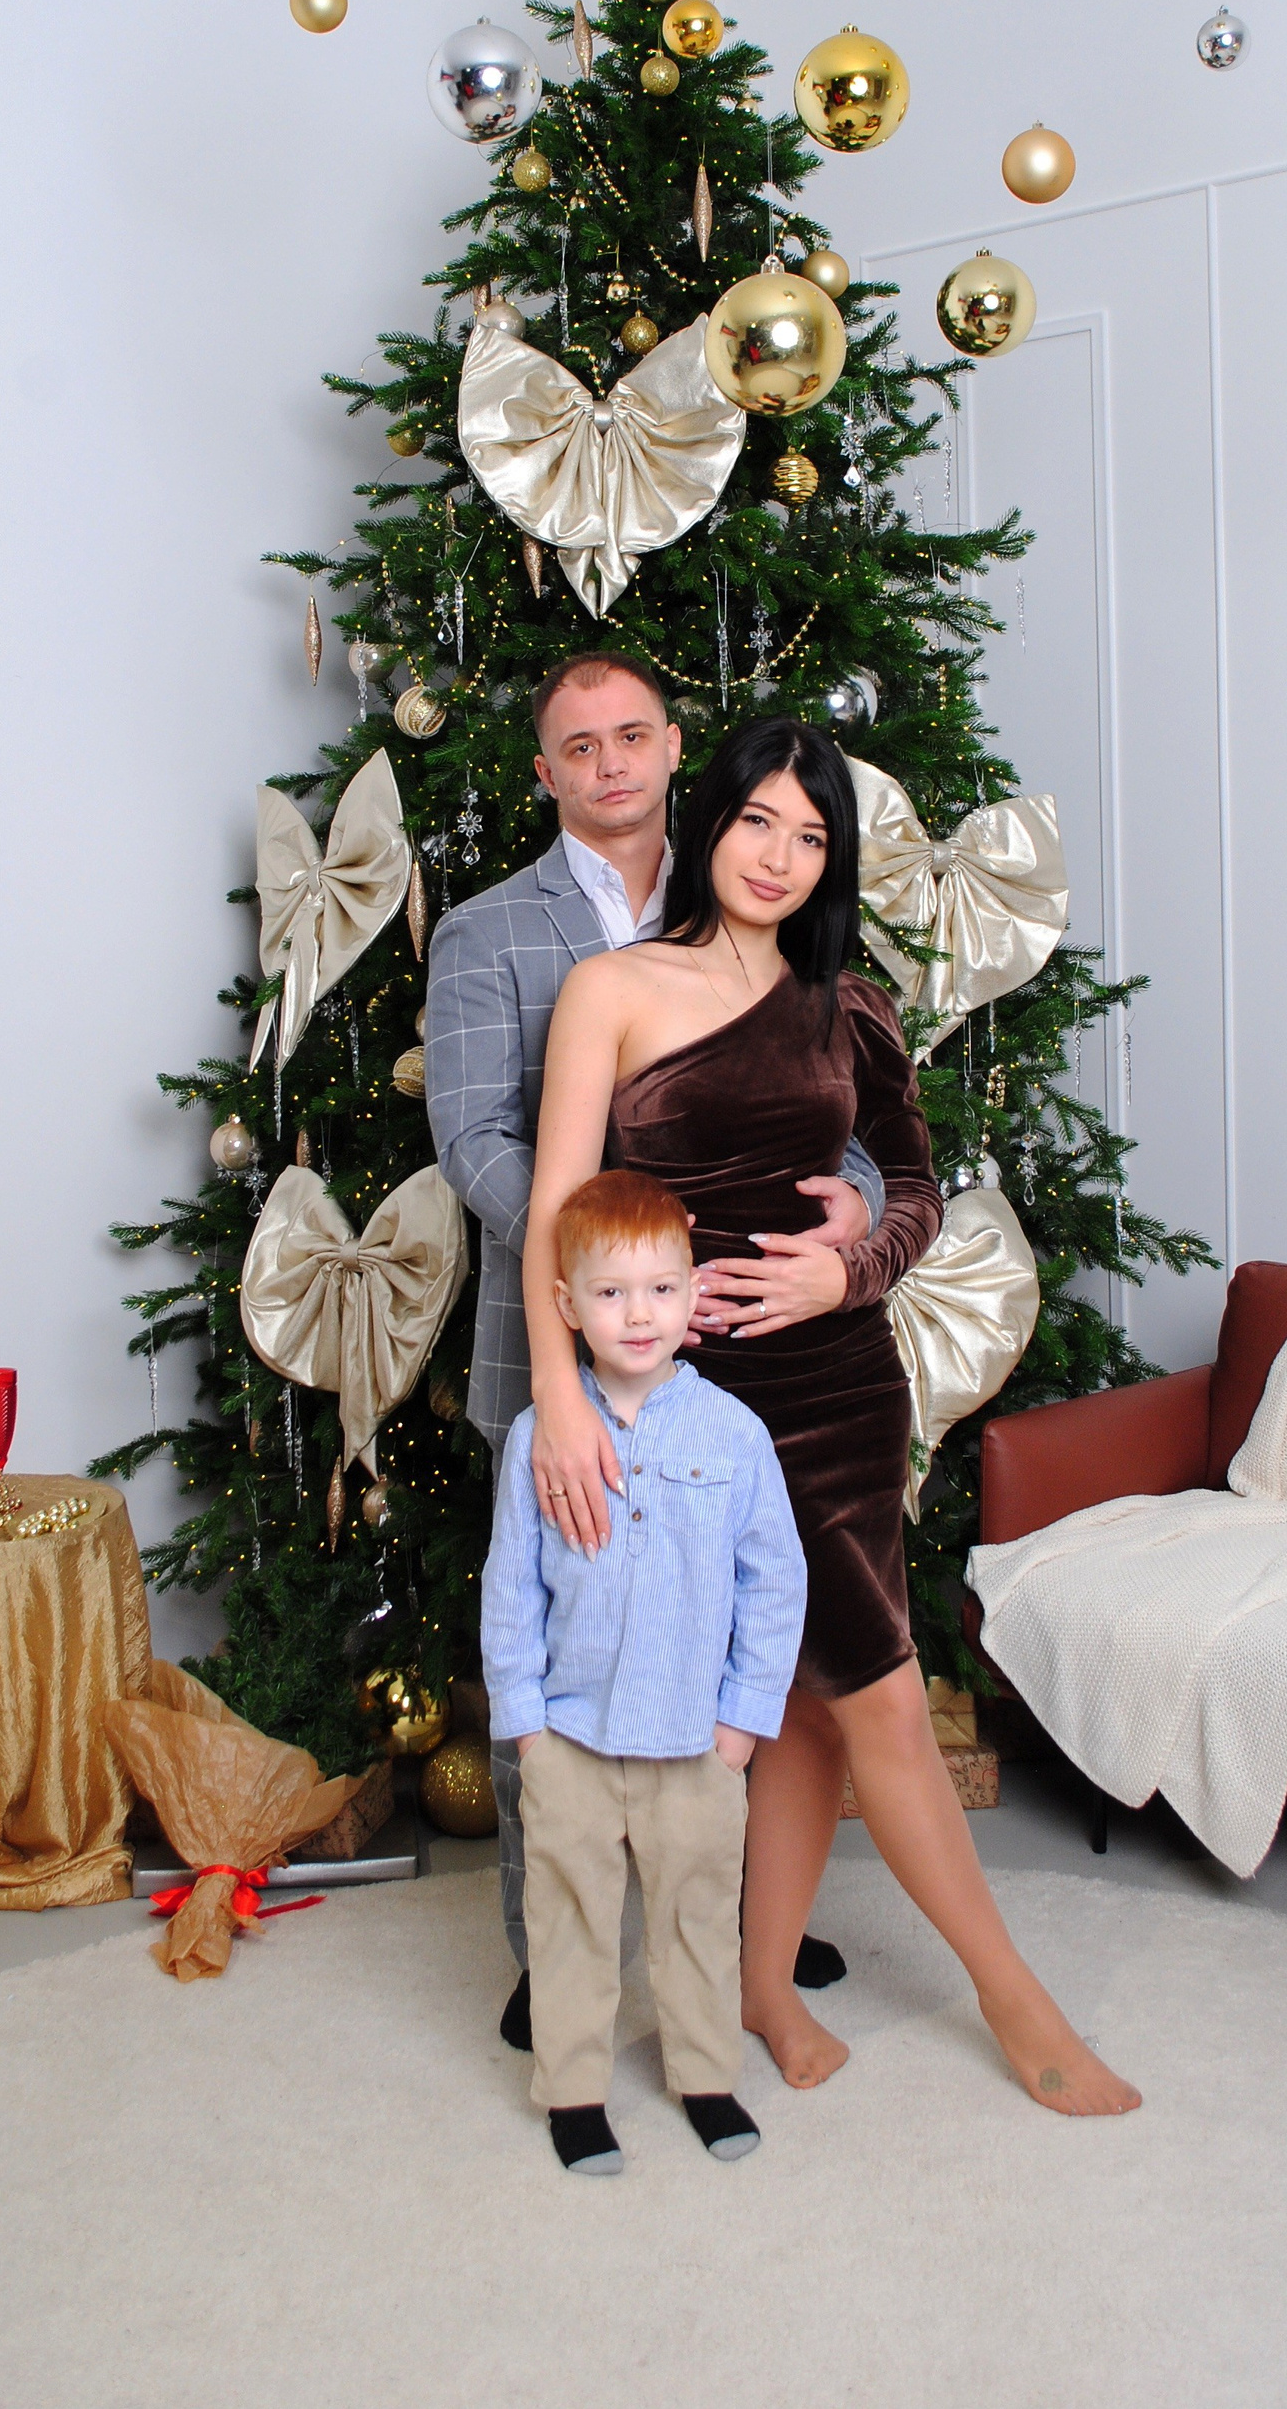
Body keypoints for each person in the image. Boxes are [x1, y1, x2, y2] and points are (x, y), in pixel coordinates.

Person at [522, 718, 1143, 2120]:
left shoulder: (851, 1005)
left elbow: (914, 1192)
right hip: (698, 1405)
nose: (781, 858)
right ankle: (994, 2002)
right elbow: (557, 1212)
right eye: (760, 822)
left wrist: (846, 1265)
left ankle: (812, 1990)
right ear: (712, 818)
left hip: (842, 1389)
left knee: (845, 1702)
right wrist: (562, 1396)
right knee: (830, 1697)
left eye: (813, 839)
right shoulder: (613, 990)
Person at [425, 651, 884, 2047]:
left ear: (677, 747)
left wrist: (860, 1201)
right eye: (581, 746)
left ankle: (745, 1925)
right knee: (566, 1641)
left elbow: (814, 1102)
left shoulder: (746, 886)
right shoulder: (489, 931)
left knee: (736, 1631)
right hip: (565, 1345)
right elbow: (474, 1139)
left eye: (633, 735)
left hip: (740, 1355)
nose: (611, 762)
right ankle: (552, 1953)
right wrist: (629, 1263)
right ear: (546, 772)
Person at [482, 1167, 806, 2174]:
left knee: (697, 1916)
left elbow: (774, 1582)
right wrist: (527, 1726)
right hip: (571, 1736)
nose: (638, 1315)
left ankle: (705, 2079)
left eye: (662, 1290)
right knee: (570, 1920)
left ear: (692, 1294)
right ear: (566, 1305)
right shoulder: (539, 1440)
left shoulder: (734, 1435)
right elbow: (510, 1587)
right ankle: (573, 2093)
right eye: (612, 1293)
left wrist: (743, 1721)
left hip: (694, 1740)